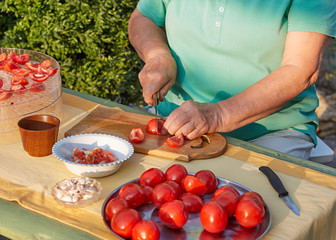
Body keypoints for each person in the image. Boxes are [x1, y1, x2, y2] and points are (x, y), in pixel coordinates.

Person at [128, 0, 336, 159]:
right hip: (172, 123)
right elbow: (143, 18)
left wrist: (219, 115)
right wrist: (157, 55)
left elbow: (301, 69)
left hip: (270, 134)